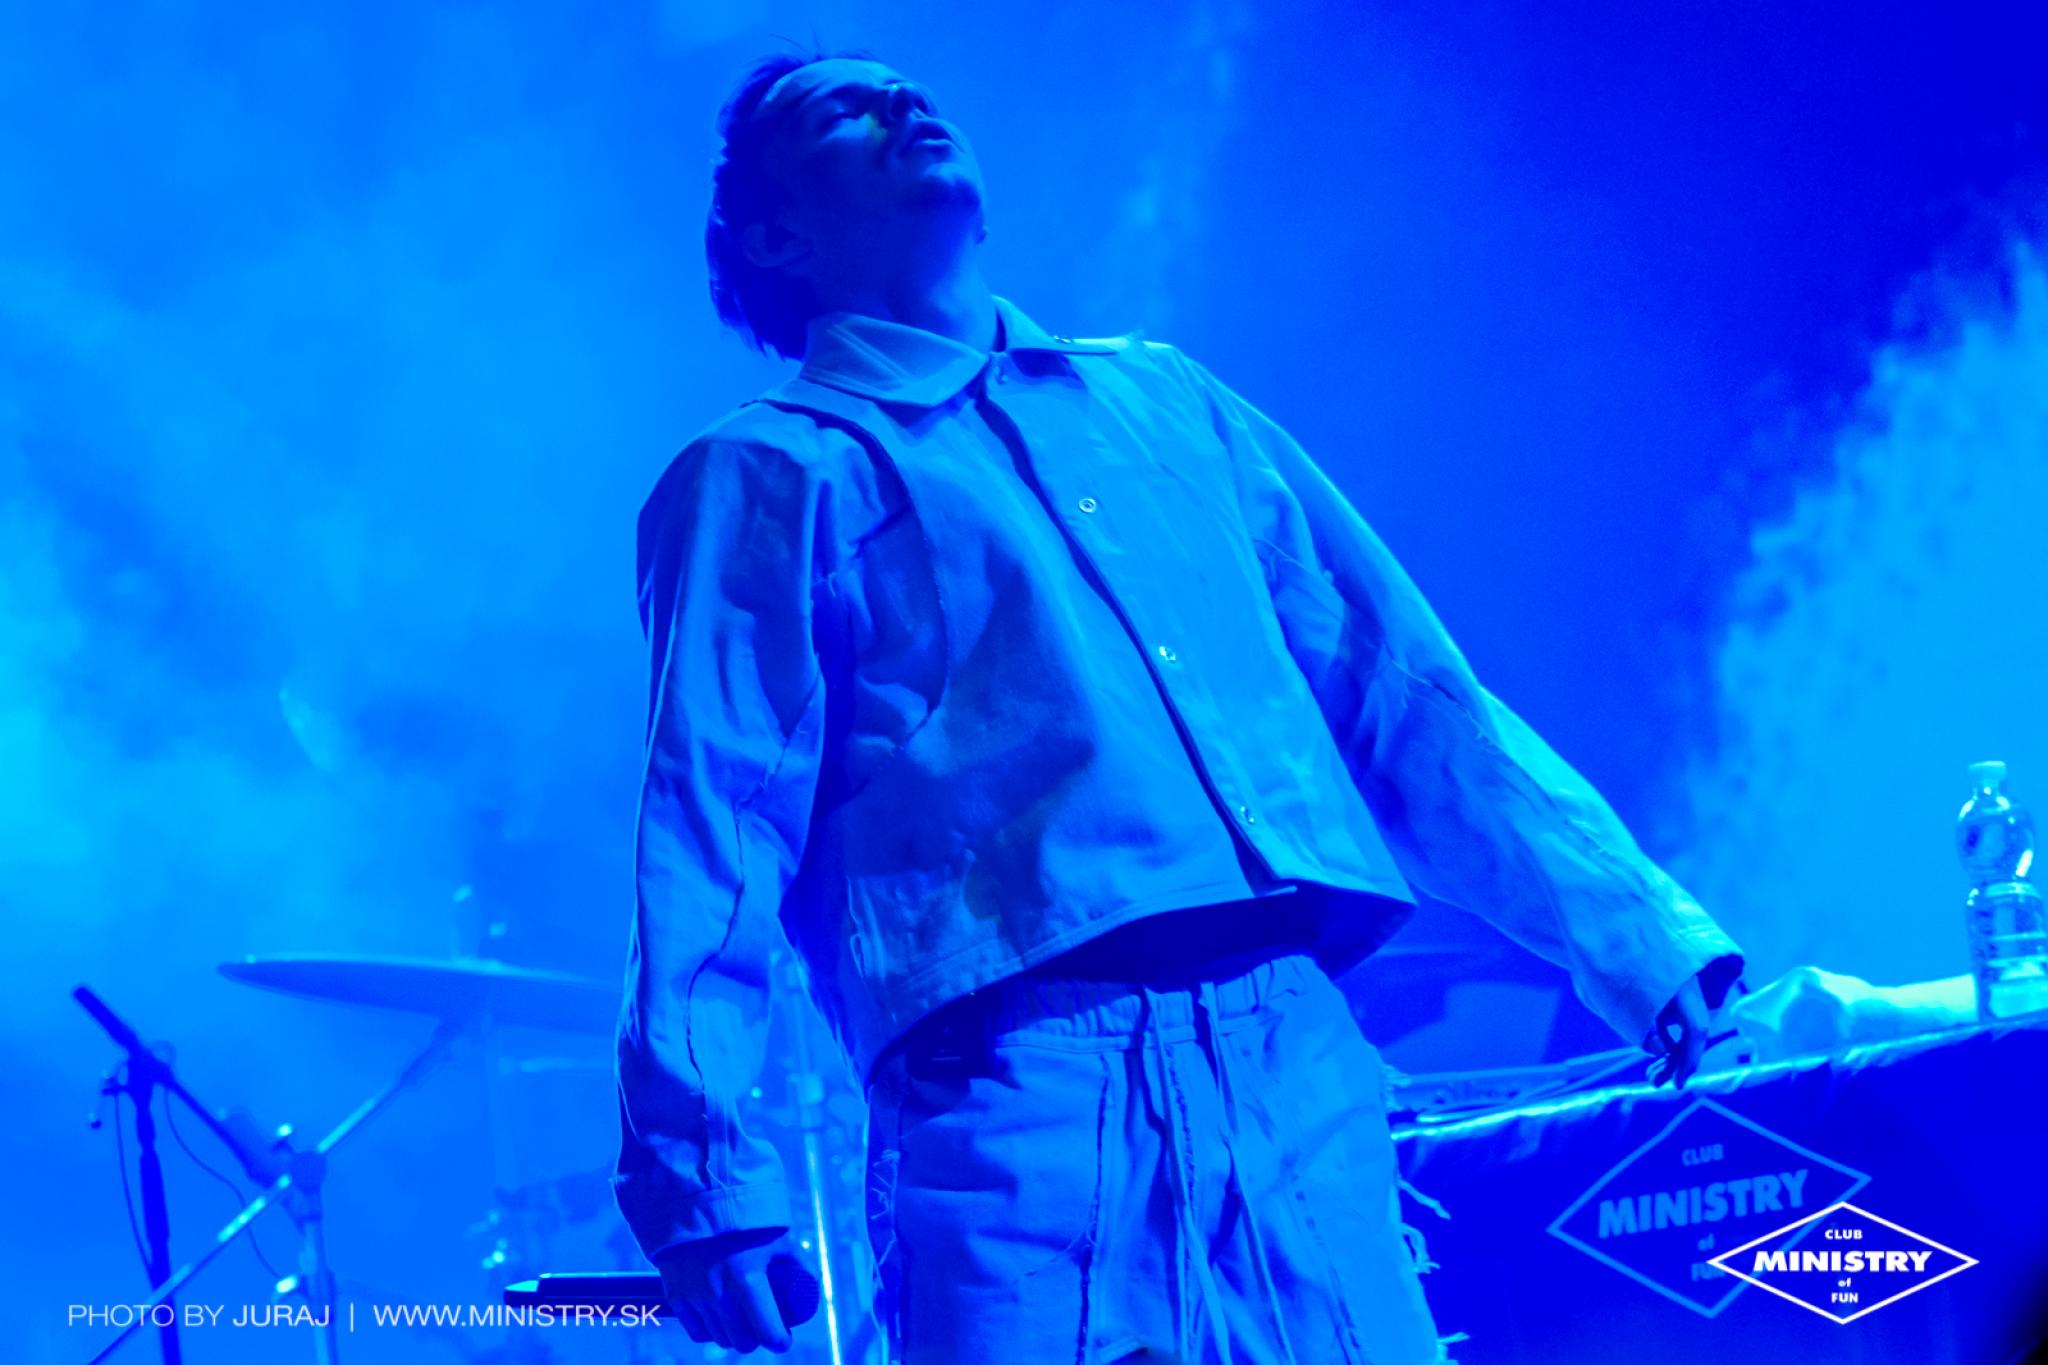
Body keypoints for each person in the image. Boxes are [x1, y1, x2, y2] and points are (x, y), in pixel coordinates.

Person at [612, 47, 1745, 1364]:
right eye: (840, 113)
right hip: (1017, 1092)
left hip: (1296, 1056)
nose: (904, 105)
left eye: (910, 88)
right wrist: (702, 1172)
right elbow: (711, 824)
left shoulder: (1165, 402)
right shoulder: (772, 470)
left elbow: (1397, 687)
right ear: (773, 235)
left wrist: (1631, 936)